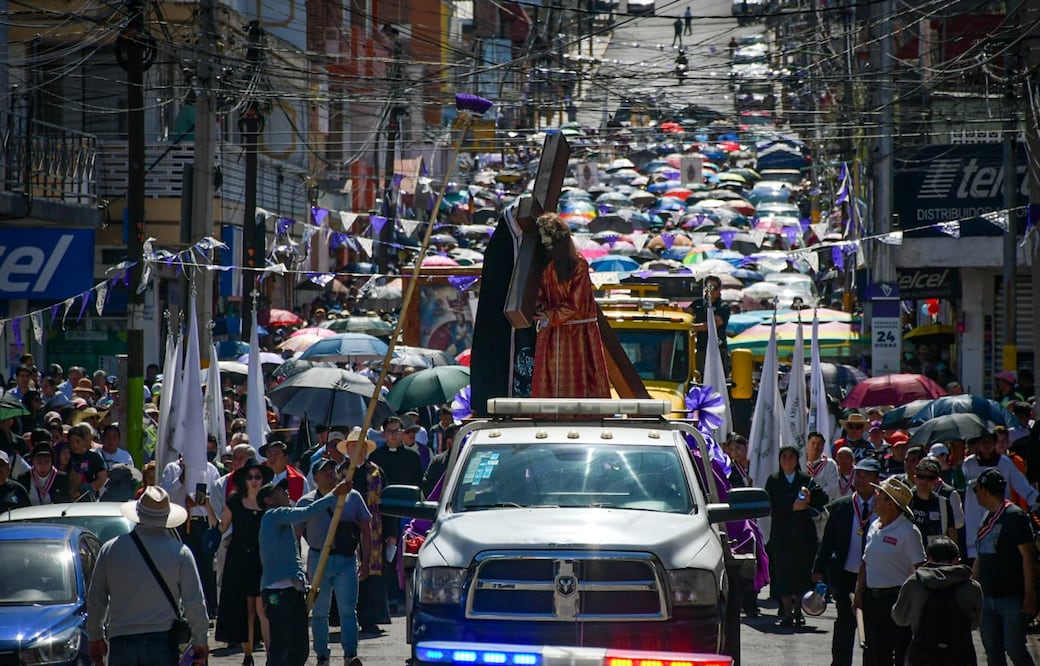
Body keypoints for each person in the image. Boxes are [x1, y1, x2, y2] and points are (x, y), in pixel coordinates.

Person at [86, 486, 209, 666]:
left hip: (121, 641)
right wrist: (200, 641)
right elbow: (195, 603)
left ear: (138, 514)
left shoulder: (111, 550)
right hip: (162, 642)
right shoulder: (180, 553)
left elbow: (96, 600)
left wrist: (95, 637)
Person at [258, 477, 359, 666]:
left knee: (299, 647)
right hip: (276, 592)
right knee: (281, 645)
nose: (286, 493)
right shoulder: (273, 515)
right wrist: (334, 494)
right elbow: (308, 512)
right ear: (268, 500)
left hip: (292, 591)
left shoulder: (282, 521)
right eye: (280, 491)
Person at [297, 457, 372, 666]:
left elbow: (366, 529)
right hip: (317, 557)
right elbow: (297, 533)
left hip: (346, 559)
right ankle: (322, 655)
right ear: (315, 477)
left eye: (332, 469)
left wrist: (366, 561)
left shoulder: (353, 496)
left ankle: (350, 654)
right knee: (319, 612)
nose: (330, 473)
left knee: (348, 609)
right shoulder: (306, 501)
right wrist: (300, 564)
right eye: (325, 470)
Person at [531, 212, 611, 399]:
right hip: (551, 331)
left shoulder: (578, 264)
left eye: (546, 234)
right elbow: (541, 293)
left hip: (577, 333)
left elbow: (576, 302)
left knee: (577, 380)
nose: (543, 240)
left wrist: (550, 316)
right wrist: (540, 308)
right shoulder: (545, 263)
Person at [812, 457, 882, 666]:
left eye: (867, 476)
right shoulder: (841, 506)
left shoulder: (883, 505)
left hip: (874, 577)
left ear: (877, 479)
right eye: (858, 474)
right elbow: (828, 541)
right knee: (844, 622)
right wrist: (818, 568)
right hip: (845, 574)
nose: (861, 480)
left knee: (870, 626)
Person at [854, 476, 926, 666]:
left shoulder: (908, 531)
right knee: (875, 653)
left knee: (900, 652)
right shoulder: (874, 526)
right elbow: (865, 563)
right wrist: (859, 594)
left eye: (881, 495)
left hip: (897, 599)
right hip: (873, 599)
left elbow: (920, 570)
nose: (875, 497)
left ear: (891, 504)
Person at [972, 468, 1037, 666]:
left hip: (1012, 597)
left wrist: (1029, 595)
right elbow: (981, 556)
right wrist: (972, 587)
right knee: (992, 651)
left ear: (983, 490)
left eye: (976, 489)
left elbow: (1029, 557)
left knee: (1015, 649)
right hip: (988, 596)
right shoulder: (987, 518)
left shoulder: (1015, 517)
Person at [215, 460, 274, 665]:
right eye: (250, 477)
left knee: (263, 608)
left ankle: (270, 655)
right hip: (239, 558)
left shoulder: (269, 502)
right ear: (244, 481)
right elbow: (222, 528)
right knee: (246, 609)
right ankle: (248, 655)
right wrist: (205, 506)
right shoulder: (234, 502)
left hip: (262, 558)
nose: (255, 481)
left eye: (258, 477)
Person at [891, 536, 982, 666]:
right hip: (960, 655)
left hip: (923, 655)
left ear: (929, 559)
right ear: (956, 560)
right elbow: (975, 623)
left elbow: (900, 618)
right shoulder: (972, 587)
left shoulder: (914, 582)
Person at [765, 444, 828, 627]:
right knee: (783, 573)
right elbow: (770, 505)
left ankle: (799, 611)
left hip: (803, 534)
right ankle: (786, 612)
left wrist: (809, 500)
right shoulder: (774, 480)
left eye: (791, 457)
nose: (787, 460)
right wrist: (791, 506)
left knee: (801, 573)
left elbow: (822, 498)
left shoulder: (805, 479)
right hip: (782, 533)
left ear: (797, 460)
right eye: (783, 457)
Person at [342, 428, 392, 634]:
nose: (357, 451)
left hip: (374, 529)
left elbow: (387, 503)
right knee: (349, 572)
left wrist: (391, 531)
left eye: (361, 447)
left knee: (371, 573)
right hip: (347, 530)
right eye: (353, 447)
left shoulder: (376, 472)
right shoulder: (339, 472)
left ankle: (371, 618)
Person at [962, 431, 1038, 560]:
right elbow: (963, 484)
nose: (986, 445)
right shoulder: (969, 463)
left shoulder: (1004, 462)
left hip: (999, 515)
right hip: (976, 516)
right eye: (983, 441)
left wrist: (1035, 498)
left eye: (989, 441)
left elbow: (1020, 484)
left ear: (994, 443)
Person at [907, 458, 958, 546]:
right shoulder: (906, 500)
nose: (924, 481)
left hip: (935, 554)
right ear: (914, 478)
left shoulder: (943, 503)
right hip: (909, 551)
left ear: (936, 481)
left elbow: (952, 532)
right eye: (921, 476)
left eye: (930, 478)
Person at [692, 275, 730, 380]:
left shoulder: (723, 306)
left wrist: (690, 327)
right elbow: (686, 313)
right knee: (701, 378)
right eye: (709, 287)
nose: (711, 291)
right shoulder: (697, 304)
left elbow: (712, 325)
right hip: (701, 349)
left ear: (719, 289)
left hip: (718, 349)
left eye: (715, 288)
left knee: (719, 379)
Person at [806, 431, 840, 501]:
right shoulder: (800, 462)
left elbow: (833, 487)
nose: (815, 446)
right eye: (813, 443)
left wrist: (813, 495)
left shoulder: (830, 464)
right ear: (807, 444)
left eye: (819, 444)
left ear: (823, 446)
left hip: (823, 504)